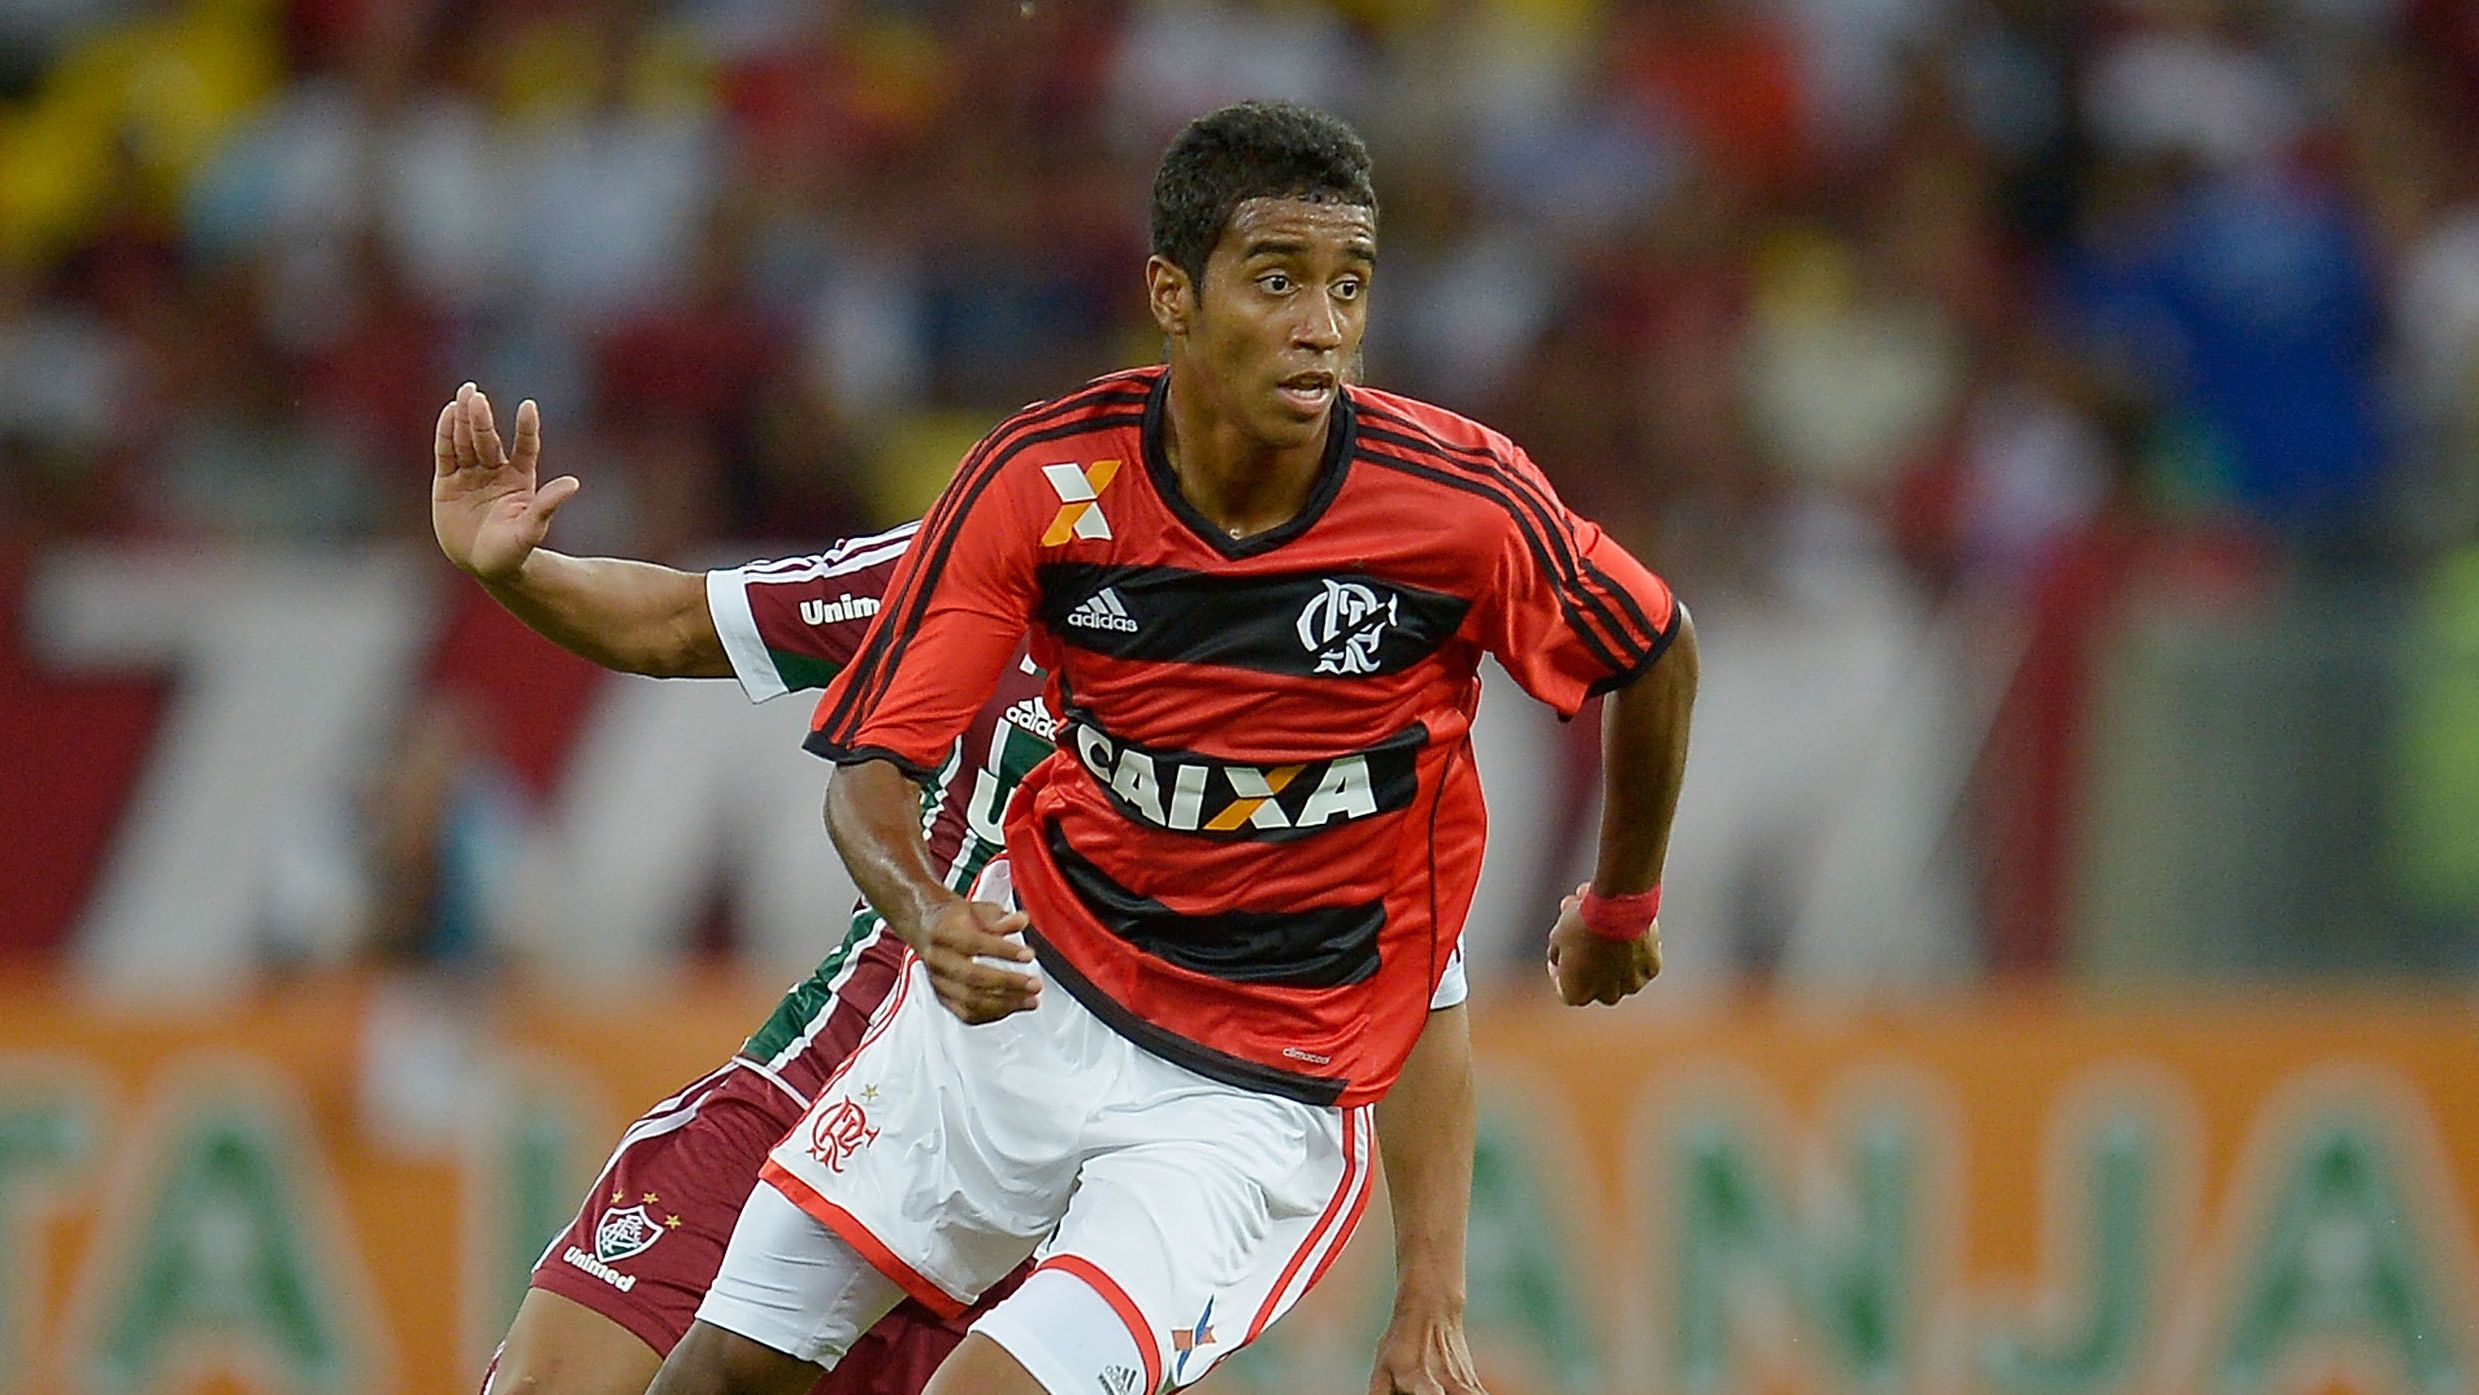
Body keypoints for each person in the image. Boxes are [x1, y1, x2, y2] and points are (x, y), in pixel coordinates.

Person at [648, 100, 1697, 1395]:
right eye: (1276, 279)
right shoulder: (1043, 481)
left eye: (1348, 284)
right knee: (715, 1371)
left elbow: (1651, 651)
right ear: (1173, 294)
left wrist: (1620, 901)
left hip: (1244, 1104)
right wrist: (921, 909)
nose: (1321, 325)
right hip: (1027, 997)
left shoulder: (1454, 516)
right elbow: (871, 774)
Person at [430, 385, 1490, 1395]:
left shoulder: (1318, 682)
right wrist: (517, 573)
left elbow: (1415, 991)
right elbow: (675, 624)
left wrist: (1430, 1292)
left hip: (1055, 1197)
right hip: (823, 1089)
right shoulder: (988, 558)